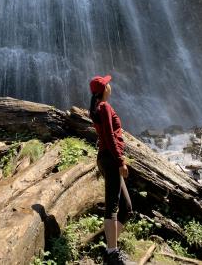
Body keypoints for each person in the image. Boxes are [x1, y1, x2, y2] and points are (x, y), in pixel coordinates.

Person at [89, 75, 133, 265]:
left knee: (127, 208)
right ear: (104, 89)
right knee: (113, 207)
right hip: (110, 159)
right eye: (108, 84)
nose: (110, 85)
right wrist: (121, 160)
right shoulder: (104, 107)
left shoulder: (97, 107)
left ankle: (109, 246)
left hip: (106, 158)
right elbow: (109, 136)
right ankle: (112, 254)